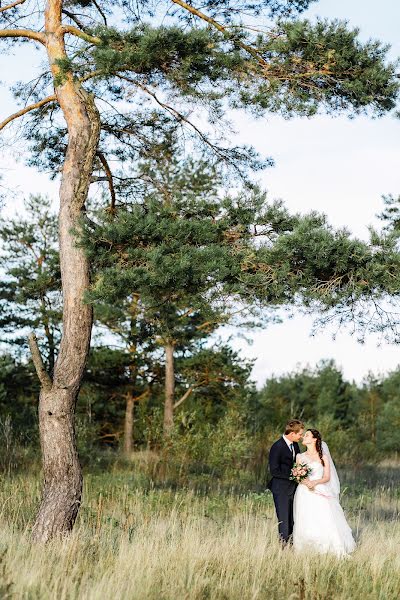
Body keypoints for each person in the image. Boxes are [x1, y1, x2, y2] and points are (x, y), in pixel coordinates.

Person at [293, 428, 356, 556]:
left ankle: (327, 547)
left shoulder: (323, 457)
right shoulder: (300, 456)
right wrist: (307, 483)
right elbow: (298, 476)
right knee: (305, 518)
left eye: (307, 435)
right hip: (304, 492)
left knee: (324, 517)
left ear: (314, 439)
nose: (303, 437)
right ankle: (307, 549)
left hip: (320, 490)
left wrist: (314, 483)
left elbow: (327, 477)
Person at [267, 419, 304, 545]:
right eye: (300, 434)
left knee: (293, 519)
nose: (301, 437)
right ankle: (284, 548)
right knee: (284, 520)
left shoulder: (295, 445)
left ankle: (292, 545)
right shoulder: (277, 447)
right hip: (281, 489)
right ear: (292, 433)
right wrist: (293, 475)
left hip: (294, 488)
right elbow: (274, 470)